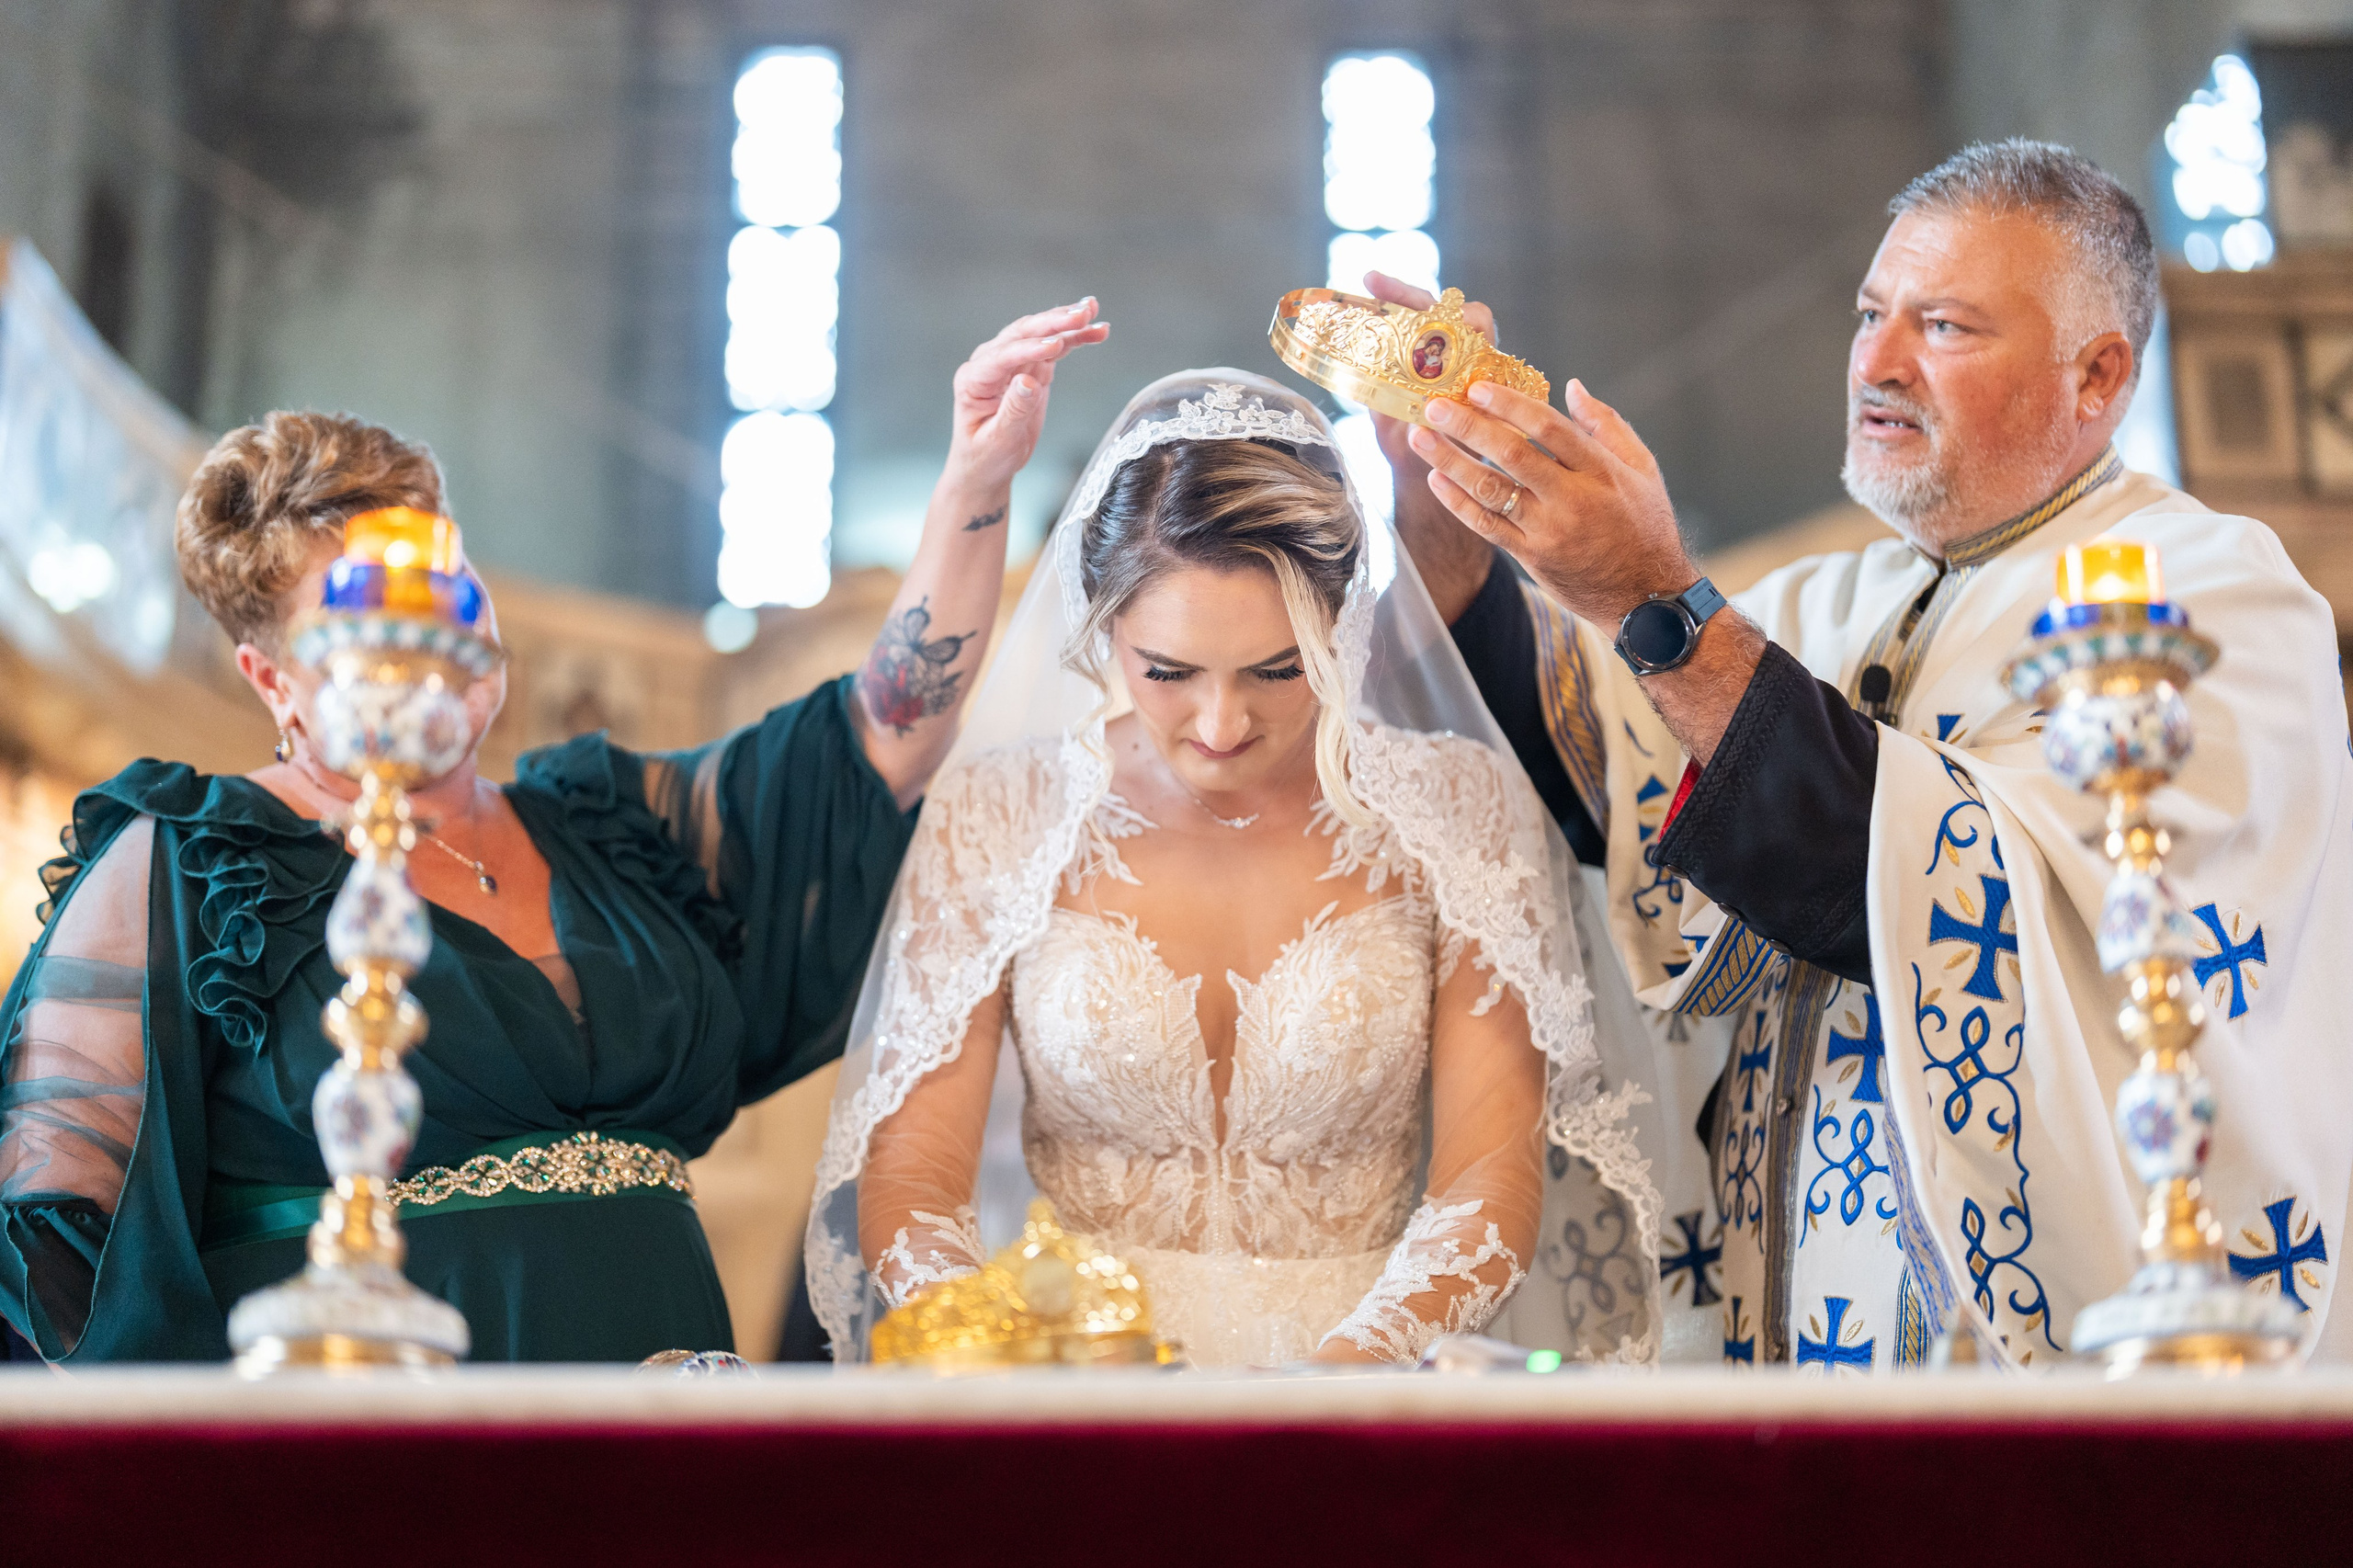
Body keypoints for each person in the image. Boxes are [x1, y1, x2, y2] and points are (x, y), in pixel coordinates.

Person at [1387, 140, 2353, 1369]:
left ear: (2096, 374)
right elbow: (1594, 794)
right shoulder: (1822, 602)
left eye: (1943, 325)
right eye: (1869, 314)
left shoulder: (2210, 596)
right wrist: (1442, 522)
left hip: (2042, 1347)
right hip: (1786, 1317)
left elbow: (1919, 892)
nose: (1879, 364)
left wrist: (1660, 601)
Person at [0, 299, 1109, 1363]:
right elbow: (52, 1226)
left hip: (664, 1381)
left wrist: (973, 479)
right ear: (269, 677)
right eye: (361, 620)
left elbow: (888, 729)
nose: (423, 638)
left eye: (444, 587)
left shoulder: (608, 825)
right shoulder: (192, 864)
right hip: (369, 1417)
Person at [803, 370, 1657, 1369]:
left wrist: (1346, 1376)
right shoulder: (1002, 811)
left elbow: (1487, 1174)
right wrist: (1002, 1348)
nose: (1220, 724)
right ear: (1101, 626)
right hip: (1080, 1401)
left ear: (1341, 625)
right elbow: (914, 1168)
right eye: (1166, 671)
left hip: (1362, 1400)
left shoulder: (1456, 808)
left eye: (1277, 667)